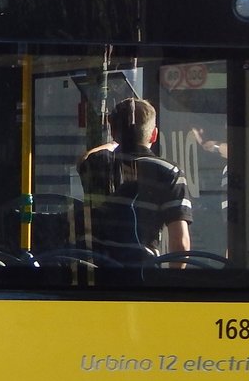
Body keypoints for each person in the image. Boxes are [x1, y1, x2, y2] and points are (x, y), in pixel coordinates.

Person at [79, 97, 192, 265]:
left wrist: (114, 143)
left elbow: (85, 157)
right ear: (154, 135)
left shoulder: (97, 163)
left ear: (114, 132)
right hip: (142, 275)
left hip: (98, 274)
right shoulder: (169, 172)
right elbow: (180, 244)